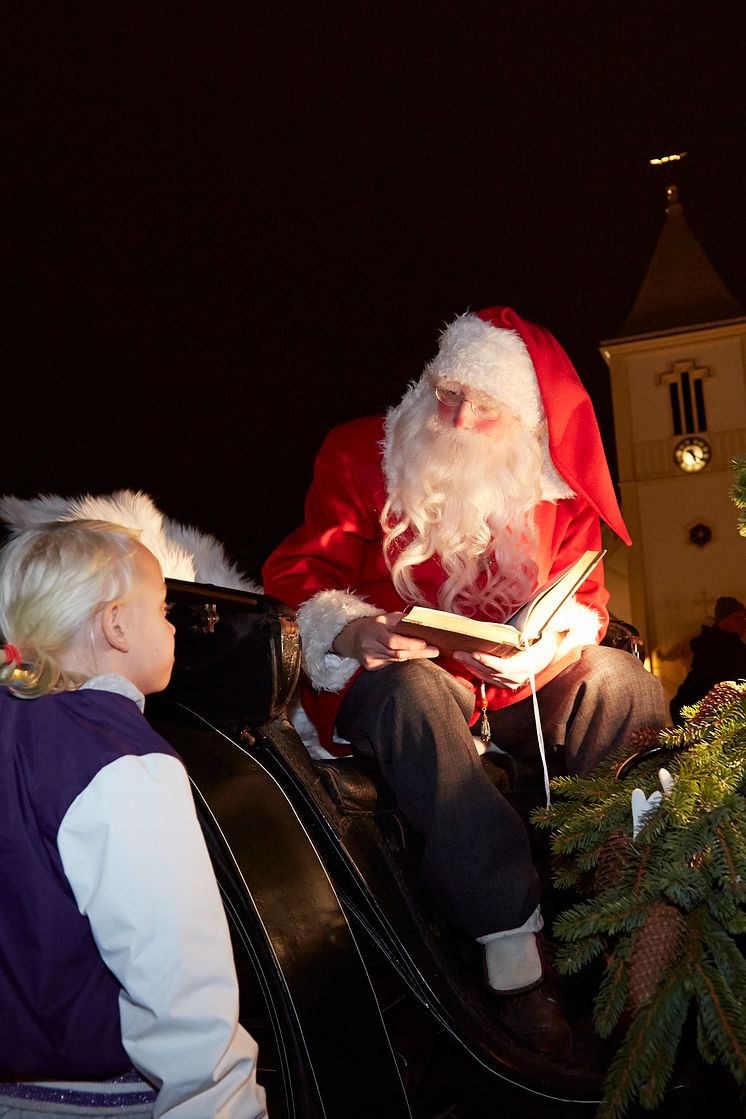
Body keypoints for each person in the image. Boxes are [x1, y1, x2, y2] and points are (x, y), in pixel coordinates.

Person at [263, 305, 665, 1058]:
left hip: (521, 687)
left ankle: (640, 919)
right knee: (412, 692)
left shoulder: (552, 485)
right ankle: (515, 961)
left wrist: (549, 640)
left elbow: (587, 601)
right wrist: (352, 629)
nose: (454, 414)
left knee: (619, 680)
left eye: (482, 407)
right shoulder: (362, 453)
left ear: (522, 420)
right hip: (409, 683)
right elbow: (295, 575)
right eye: (447, 391)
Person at [0, 520, 266, 1118]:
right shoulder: (122, 760)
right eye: (164, 608)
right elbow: (177, 979)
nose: (172, 627)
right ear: (116, 624)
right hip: (102, 1098)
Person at [670, 596, 746, 725]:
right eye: (738, 618)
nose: (743, 623)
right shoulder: (714, 648)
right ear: (724, 620)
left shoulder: (735, 648)